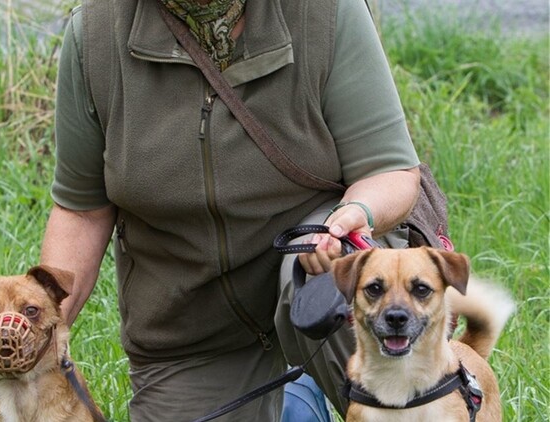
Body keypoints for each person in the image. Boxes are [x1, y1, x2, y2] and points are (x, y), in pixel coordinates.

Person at [40, 0, 421, 420]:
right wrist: (42, 330)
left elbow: (390, 170)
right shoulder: (96, 33)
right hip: (193, 326)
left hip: (314, 277)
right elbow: (82, 211)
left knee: (326, 274)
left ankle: (374, 395)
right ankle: (296, 402)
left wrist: (354, 214)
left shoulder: (327, 11)